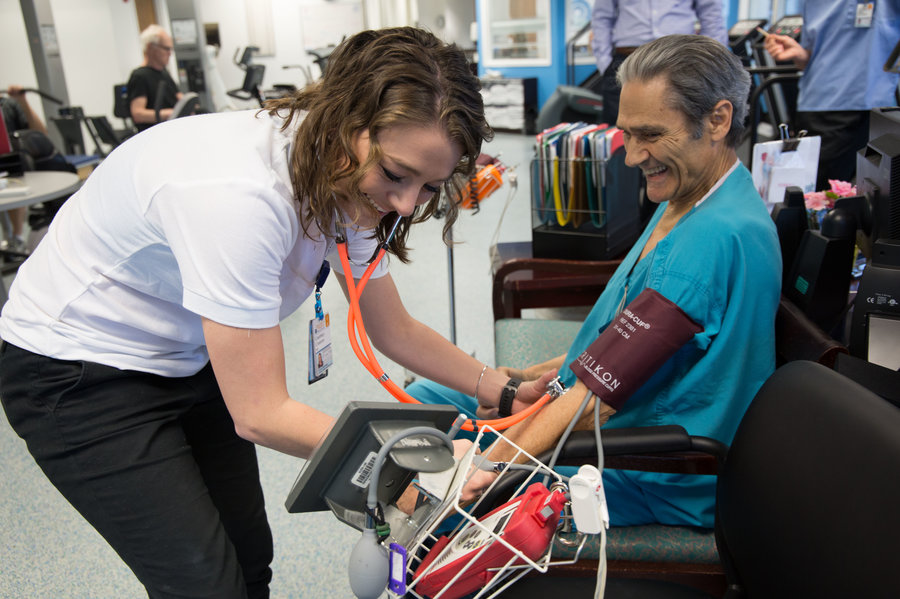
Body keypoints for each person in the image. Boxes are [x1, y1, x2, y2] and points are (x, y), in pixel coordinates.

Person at [0, 27, 553, 599]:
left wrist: (505, 389)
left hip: (190, 354)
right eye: (396, 175)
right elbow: (260, 412)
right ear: (344, 121)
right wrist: (413, 464)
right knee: (204, 586)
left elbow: (395, 329)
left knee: (249, 563)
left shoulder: (347, 177)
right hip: (75, 369)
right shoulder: (238, 196)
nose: (406, 204)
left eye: (429, 186)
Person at [409, 34, 782, 529]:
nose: (632, 156)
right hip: (613, 419)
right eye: (627, 134)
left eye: (651, 134)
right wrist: (518, 378)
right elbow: (623, 344)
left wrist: (487, 465)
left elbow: (594, 402)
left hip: (643, 469)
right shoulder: (693, 197)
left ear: (718, 120)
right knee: (428, 399)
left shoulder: (710, 241)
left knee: (433, 501)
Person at [762, 1, 900, 189]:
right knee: (814, 192)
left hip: (862, 104)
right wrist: (799, 54)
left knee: (854, 191)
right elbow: (808, 59)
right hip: (814, 102)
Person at [590, 0, 728, 125]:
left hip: (680, 59)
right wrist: (605, 64)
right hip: (626, 59)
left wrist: (709, 63)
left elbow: (711, 15)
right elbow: (601, 18)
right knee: (618, 131)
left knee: (683, 126)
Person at [0, 84, 48, 254]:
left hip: (11, 170)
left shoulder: (7, 106)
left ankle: (17, 238)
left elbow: (40, 133)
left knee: (13, 175)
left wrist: (22, 101)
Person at [127, 24, 183, 132]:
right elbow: (138, 114)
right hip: (156, 132)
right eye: (166, 49)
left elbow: (179, 97)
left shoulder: (164, 74)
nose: (169, 53)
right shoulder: (140, 76)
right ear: (150, 47)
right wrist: (170, 113)